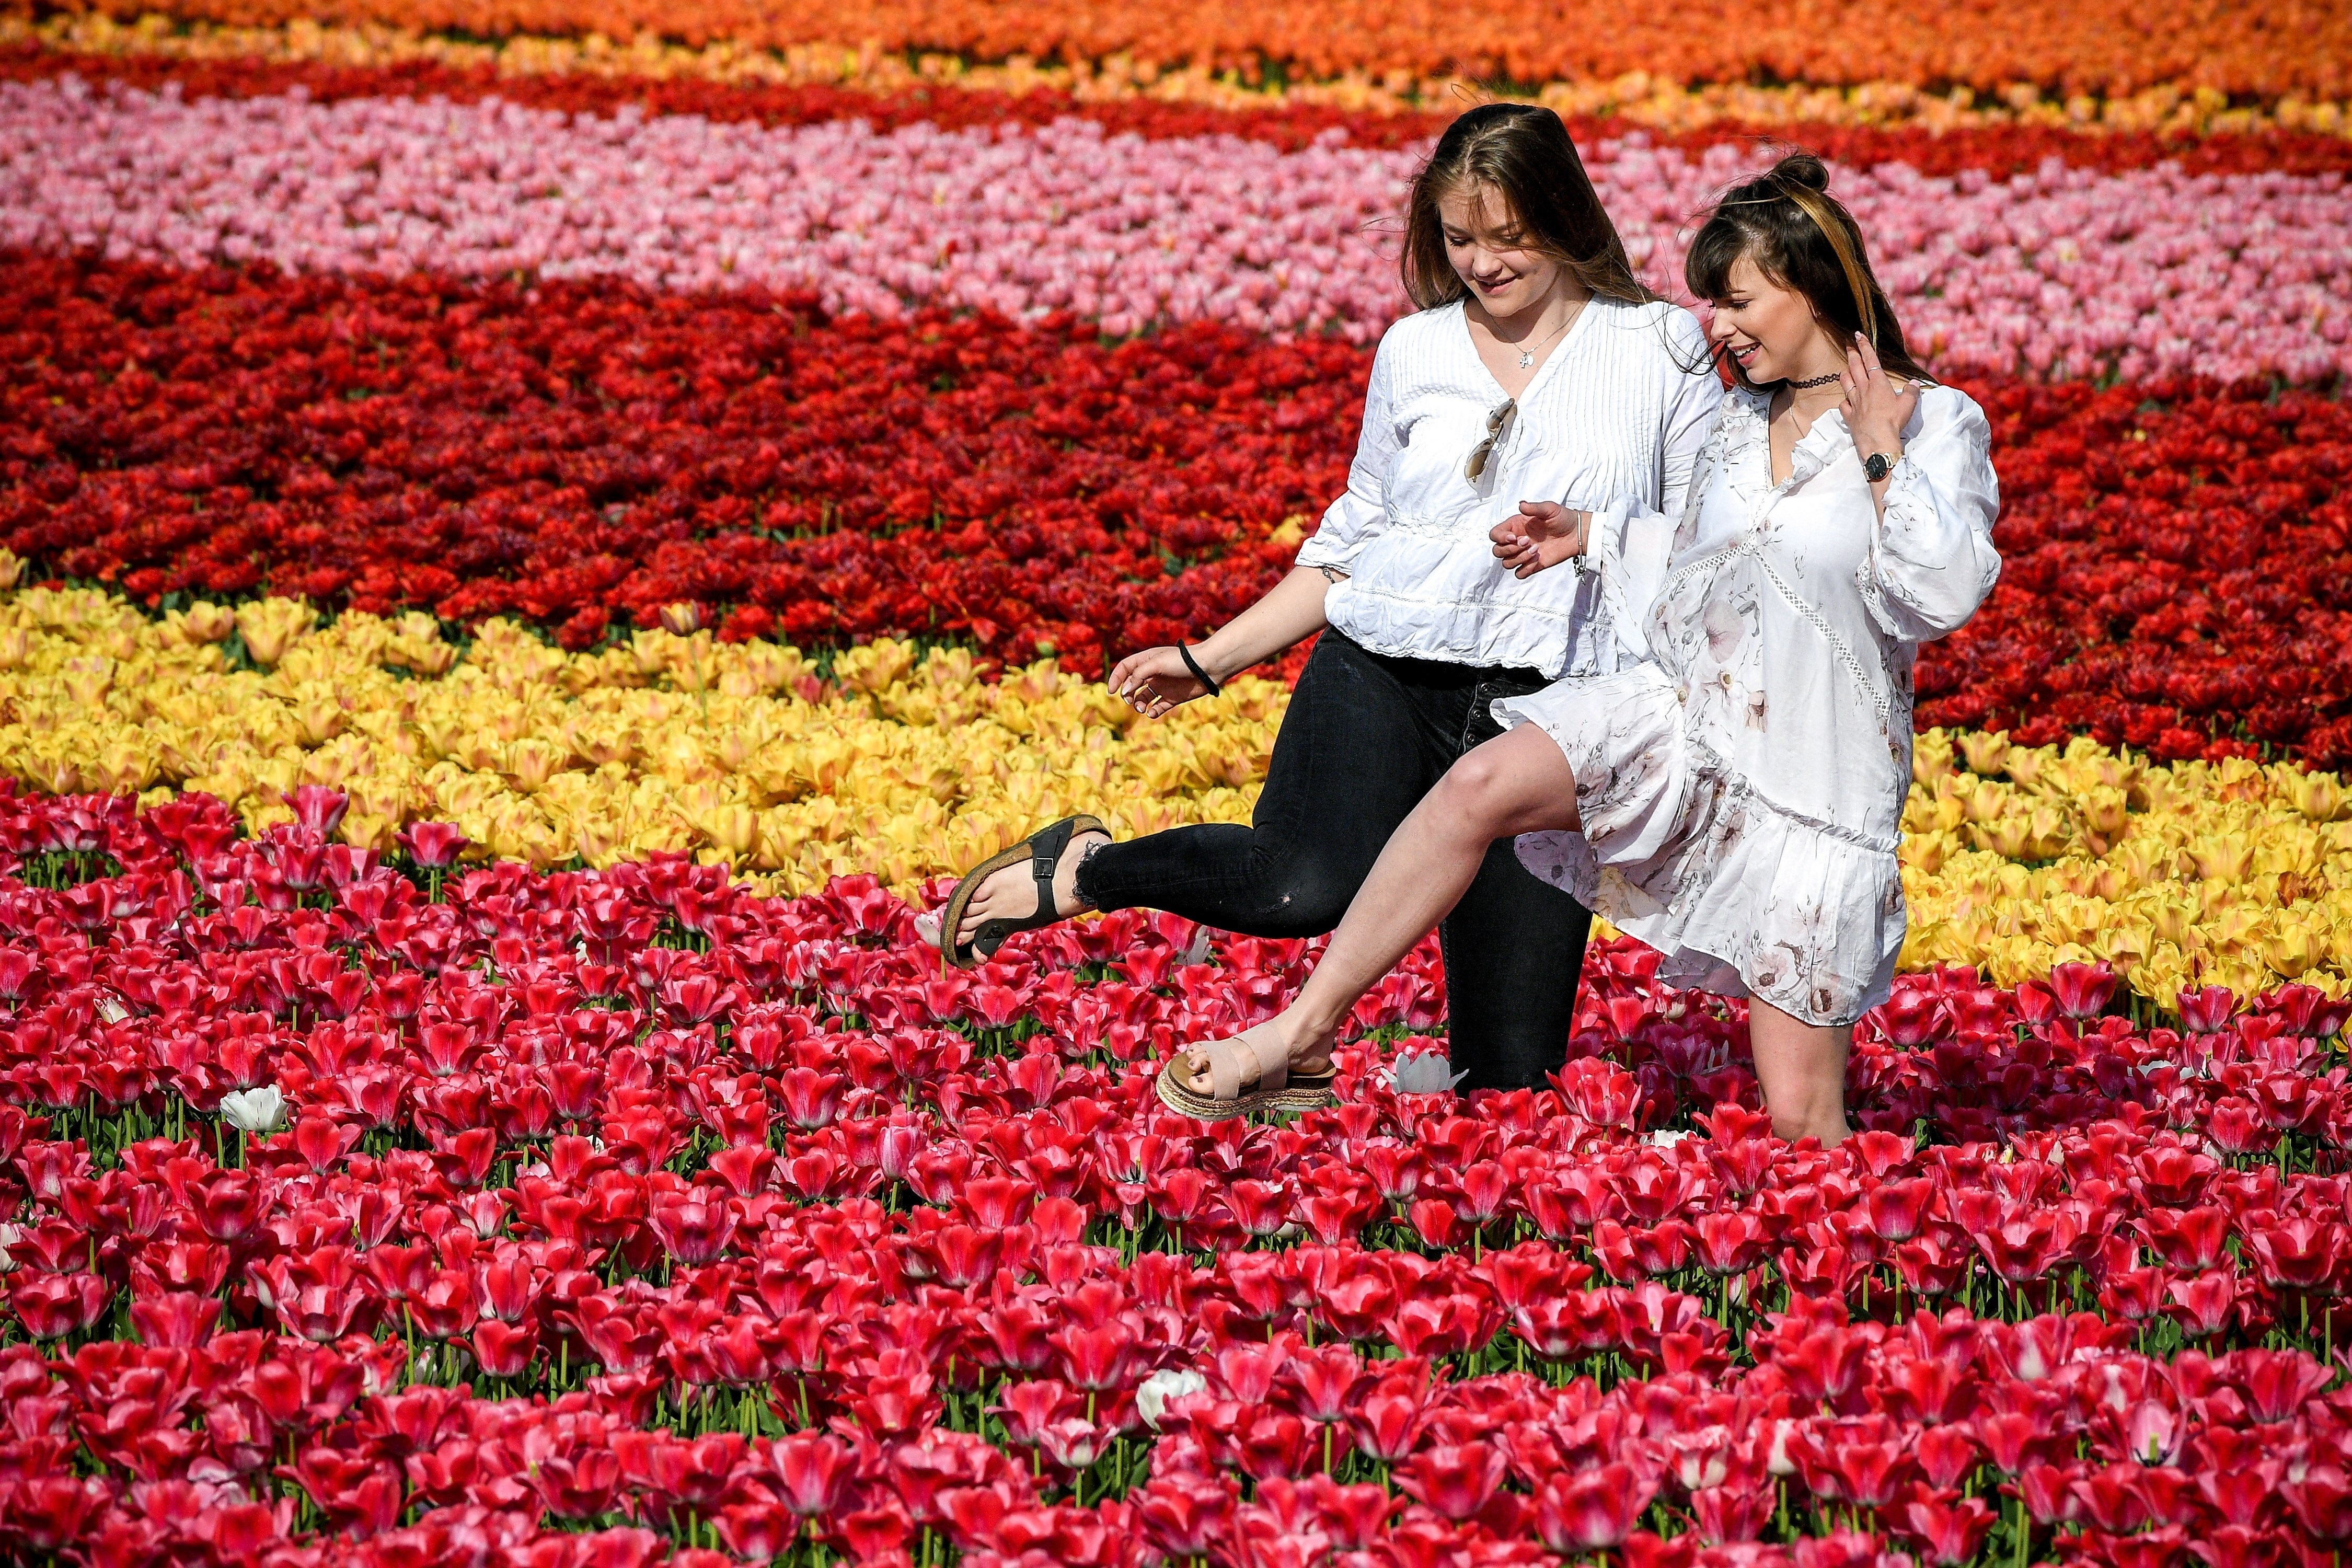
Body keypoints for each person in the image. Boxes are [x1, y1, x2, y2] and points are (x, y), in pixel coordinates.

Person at [1162, 153, 2002, 1139]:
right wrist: (1594, 534)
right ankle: (1298, 1036)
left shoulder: (1934, 421)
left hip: (1809, 791)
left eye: (1737, 302)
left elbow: (1942, 593)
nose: (1718, 328)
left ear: (1812, 287)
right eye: (1713, 304)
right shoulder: (1739, 422)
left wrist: (1878, 448)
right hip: (1686, 725)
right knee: (1478, 784)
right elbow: (1703, 564)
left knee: (1803, 1124)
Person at [921, 103, 1723, 1095]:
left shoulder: (1659, 349)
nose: (1482, 263)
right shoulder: (1415, 350)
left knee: (1512, 1078)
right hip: (1388, 671)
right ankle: (1086, 869)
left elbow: (1705, 543)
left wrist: (1596, 537)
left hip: (1553, 711)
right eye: (1459, 239)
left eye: (1508, 235)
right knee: (1299, 884)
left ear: (1564, 214)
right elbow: (1352, 547)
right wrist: (1209, 660)